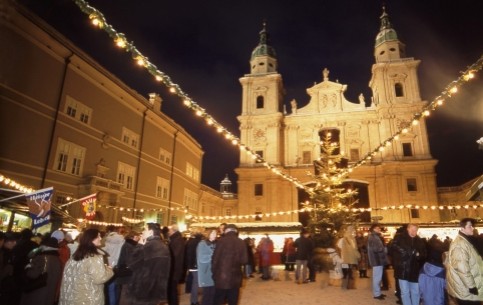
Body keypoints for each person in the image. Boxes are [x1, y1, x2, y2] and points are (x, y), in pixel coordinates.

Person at [59, 228, 114, 305]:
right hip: (88, 298)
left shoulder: (75, 256)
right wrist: (109, 270)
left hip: (71, 298)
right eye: (98, 236)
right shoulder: (94, 257)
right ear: (91, 239)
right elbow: (99, 278)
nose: (101, 238)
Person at [126, 223, 171, 305]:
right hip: (156, 289)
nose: (142, 232)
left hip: (143, 289)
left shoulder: (147, 247)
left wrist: (139, 246)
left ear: (150, 232)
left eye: (145, 229)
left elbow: (131, 264)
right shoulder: (164, 247)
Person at [446, 218, 483, 305]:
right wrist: (471, 286)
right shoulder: (460, 244)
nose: (472, 228)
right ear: (462, 228)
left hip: (467, 287)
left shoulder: (466, 241)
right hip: (465, 289)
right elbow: (462, 268)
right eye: (470, 226)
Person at [390, 223, 426, 305]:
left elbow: (424, 254)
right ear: (408, 229)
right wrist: (405, 252)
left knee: (415, 291)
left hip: (415, 270)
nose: (414, 231)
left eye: (415, 230)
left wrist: (418, 255)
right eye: (412, 229)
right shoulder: (400, 237)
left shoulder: (419, 240)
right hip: (402, 268)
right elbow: (393, 246)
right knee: (404, 291)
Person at [212, 224, 248, 305]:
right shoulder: (241, 242)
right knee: (233, 301)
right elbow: (244, 260)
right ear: (236, 231)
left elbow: (215, 260)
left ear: (226, 231)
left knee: (218, 300)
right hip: (235, 277)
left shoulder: (221, 241)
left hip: (221, 277)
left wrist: (214, 274)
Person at [20, 237, 62, 305]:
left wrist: (28, 268)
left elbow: (32, 274)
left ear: (45, 246)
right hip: (49, 294)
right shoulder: (58, 260)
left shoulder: (41, 258)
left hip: (36, 293)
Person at [418, 234, 446, 305]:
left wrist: (421, 296)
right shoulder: (442, 271)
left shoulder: (423, 269)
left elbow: (420, 285)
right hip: (439, 300)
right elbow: (446, 287)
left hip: (426, 300)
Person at [116, 230, 140, 305]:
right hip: (127, 275)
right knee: (125, 296)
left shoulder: (128, 245)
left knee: (125, 295)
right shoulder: (129, 246)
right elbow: (131, 261)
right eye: (138, 237)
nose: (139, 238)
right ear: (134, 237)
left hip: (126, 274)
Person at [102, 225, 125, 305]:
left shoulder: (106, 239)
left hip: (109, 264)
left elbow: (103, 251)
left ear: (108, 231)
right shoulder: (122, 239)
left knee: (110, 288)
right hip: (118, 264)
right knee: (116, 288)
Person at [367, 224, 388, 300]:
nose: (379, 229)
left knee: (378, 277)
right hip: (376, 260)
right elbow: (376, 249)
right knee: (377, 278)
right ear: (373, 229)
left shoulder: (376, 236)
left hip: (378, 259)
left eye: (379, 228)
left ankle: (378, 292)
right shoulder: (373, 237)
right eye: (377, 228)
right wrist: (384, 248)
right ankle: (376, 294)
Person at [197, 230, 217, 305]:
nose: (215, 235)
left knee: (213, 294)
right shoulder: (202, 244)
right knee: (207, 294)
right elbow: (202, 258)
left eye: (215, 233)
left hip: (214, 273)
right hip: (206, 273)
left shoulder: (216, 244)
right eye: (213, 233)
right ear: (208, 234)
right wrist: (214, 255)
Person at [337, 225, 360, 290]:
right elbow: (353, 249)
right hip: (351, 258)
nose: (354, 232)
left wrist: (344, 251)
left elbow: (339, 246)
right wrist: (358, 255)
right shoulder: (351, 239)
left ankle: (344, 285)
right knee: (351, 272)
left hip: (344, 258)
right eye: (353, 231)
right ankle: (350, 286)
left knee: (345, 272)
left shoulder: (343, 238)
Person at [167, 224, 186, 305]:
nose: (168, 232)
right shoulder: (176, 239)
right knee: (172, 289)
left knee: (172, 290)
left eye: (170, 230)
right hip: (175, 268)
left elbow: (174, 255)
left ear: (173, 230)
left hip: (174, 269)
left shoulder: (177, 240)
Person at [185, 228, 203, 305]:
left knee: (194, 282)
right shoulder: (199, 242)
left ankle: (194, 300)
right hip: (196, 265)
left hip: (191, 265)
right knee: (195, 283)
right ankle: (194, 301)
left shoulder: (189, 242)